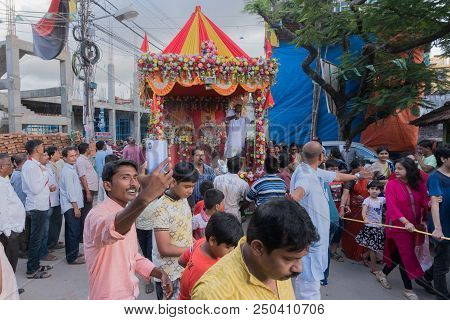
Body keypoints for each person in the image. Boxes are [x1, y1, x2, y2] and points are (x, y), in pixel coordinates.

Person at [191, 198, 319, 300]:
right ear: (258, 248)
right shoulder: (213, 295)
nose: (299, 268)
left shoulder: (275, 266)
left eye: (300, 258)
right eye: (289, 259)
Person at [290, 141, 371, 300]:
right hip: (310, 240)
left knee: (308, 283)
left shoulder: (312, 170)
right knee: (310, 287)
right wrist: (294, 198)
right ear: (321, 156)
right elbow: (300, 190)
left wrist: (358, 176)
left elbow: (337, 176)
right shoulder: (306, 176)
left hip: (315, 238)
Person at [84, 159, 173, 300]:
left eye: (135, 177)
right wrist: (145, 197)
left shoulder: (126, 213)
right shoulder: (97, 214)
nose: (133, 183)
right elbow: (113, 229)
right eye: (125, 177)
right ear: (107, 185)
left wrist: (159, 273)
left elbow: (132, 256)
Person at [374, 158, 430, 300]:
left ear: (409, 170)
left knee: (399, 254)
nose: (396, 171)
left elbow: (423, 200)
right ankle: (408, 289)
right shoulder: (392, 185)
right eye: (396, 168)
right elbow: (392, 207)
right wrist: (405, 222)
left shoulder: (418, 183)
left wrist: (431, 203)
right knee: (407, 256)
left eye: (400, 169)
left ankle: (382, 273)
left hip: (414, 226)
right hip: (398, 225)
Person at [152, 162, 198, 300]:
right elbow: (164, 249)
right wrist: (194, 249)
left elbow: (185, 230)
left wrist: (194, 243)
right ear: (173, 182)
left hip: (185, 267)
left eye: (193, 187)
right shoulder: (161, 208)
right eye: (187, 186)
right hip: (169, 274)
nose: (190, 191)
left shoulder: (183, 199)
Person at [179, 213, 243, 300]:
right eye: (228, 247)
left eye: (233, 247)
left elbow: (182, 260)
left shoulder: (201, 242)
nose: (231, 251)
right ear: (212, 240)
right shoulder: (202, 271)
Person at [21, 140, 53, 279]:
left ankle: (36, 264)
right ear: (37, 149)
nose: (43, 148)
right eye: (41, 147)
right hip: (36, 206)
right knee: (35, 239)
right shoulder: (31, 167)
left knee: (38, 238)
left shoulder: (35, 165)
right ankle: (31, 270)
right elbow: (35, 189)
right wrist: (45, 175)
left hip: (41, 205)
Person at [424, 144, 450, 300]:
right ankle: (442, 296)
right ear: (443, 159)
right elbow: (434, 202)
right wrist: (438, 229)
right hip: (441, 223)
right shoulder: (435, 177)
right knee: (443, 260)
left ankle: (426, 276)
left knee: (445, 256)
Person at [339, 159, 370, 261]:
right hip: (352, 209)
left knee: (363, 230)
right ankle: (350, 251)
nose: (363, 168)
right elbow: (345, 194)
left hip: (365, 208)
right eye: (361, 166)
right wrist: (342, 207)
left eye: (363, 166)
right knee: (353, 231)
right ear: (355, 169)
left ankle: (363, 253)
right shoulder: (350, 179)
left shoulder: (367, 177)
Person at [0, 153, 25, 274]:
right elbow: (2, 210)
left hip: (12, 229)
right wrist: (8, 233)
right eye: (9, 165)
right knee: (9, 263)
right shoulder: (1, 185)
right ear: (1, 167)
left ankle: (11, 288)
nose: (12, 167)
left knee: (11, 262)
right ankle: (8, 290)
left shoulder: (4, 180)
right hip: (8, 232)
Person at [59, 147, 85, 265]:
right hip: (71, 206)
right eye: (71, 156)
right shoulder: (67, 171)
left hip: (73, 205)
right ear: (64, 158)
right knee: (74, 232)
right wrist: (75, 207)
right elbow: (70, 192)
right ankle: (72, 258)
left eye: (75, 155)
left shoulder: (71, 168)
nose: (74, 158)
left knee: (71, 232)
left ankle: (72, 253)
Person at [355, 181, 386, 274]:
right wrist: (365, 218)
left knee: (373, 246)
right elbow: (363, 211)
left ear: (380, 191)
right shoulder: (367, 200)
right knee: (373, 248)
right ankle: (374, 268)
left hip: (378, 227)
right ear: (368, 190)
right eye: (372, 189)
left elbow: (391, 197)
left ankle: (364, 256)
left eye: (377, 189)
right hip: (370, 227)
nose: (374, 191)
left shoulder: (381, 199)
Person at [214, 156, 250, 222]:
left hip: (219, 215)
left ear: (227, 166)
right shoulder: (243, 184)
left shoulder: (217, 179)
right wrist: (241, 208)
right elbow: (247, 201)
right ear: (240, 167)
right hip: (234, 215)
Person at [75, 142, 99, 242]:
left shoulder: (85, 159)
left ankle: (84, 235)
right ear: (86, 149)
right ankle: (82, 236)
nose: (91, 149)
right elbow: (82, 176)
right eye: (89, 148)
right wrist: (88, 191)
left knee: (87, 212)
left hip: (90, 189)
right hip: (86, 190)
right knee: (86, 213)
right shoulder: (80, 160)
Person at [37, 151, 57, 262]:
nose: (47, 157)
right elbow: (37, 187)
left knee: (46, 229)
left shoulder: (47, 167)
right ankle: (43, 253)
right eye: (44, 155)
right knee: (43, 231)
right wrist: (49, 188)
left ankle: (45, 250)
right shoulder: (37, 169)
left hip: (50, 201)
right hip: (43, 204)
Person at [325, 159, 345, 263]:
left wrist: (343, 207)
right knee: (328, 231)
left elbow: (345, 195)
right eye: (331, 169)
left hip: (339, 209)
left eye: (336, 169)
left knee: (339, 231)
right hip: (328, 210)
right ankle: (326, 250)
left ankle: (333, 251)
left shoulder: (341, 181)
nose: (334, 171)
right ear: (326, 170)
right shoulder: (325, 182)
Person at [45, 147, 64, 250]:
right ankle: (49, 244)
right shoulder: (47, 167)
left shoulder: (59, 164)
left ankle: (54, 241)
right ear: (51, 156)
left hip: (58, 196)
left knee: (57, 221)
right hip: (51, 199)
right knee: (50, 223)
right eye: (57, 153)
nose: (59, 154)